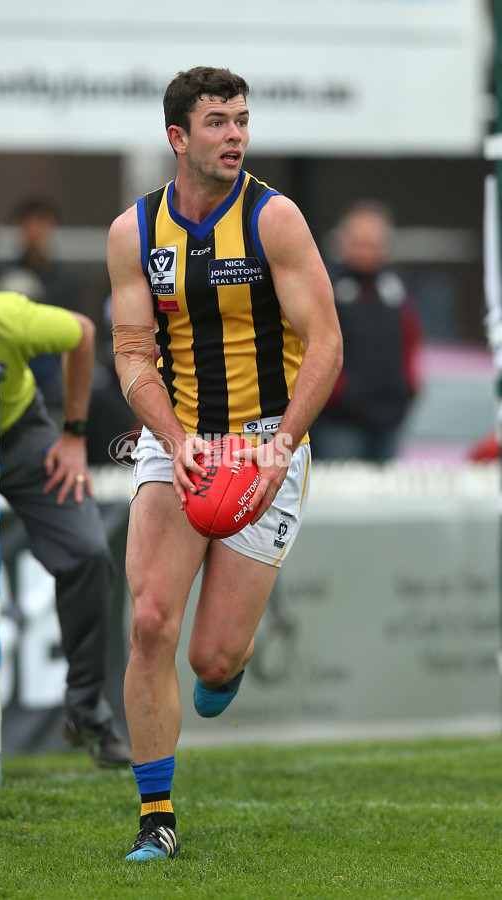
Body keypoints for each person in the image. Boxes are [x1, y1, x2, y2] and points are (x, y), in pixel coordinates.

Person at [106, 66, 343, 861]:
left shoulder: (275, 220)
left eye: (242, 119)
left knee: (210, 657)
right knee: (148, 622)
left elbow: (327, 346)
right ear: (178, 137)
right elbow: (134, 352)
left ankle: (226, 665)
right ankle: (156, 820)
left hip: (266, 441)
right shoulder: (132, 233)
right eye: (217, 122)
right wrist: (175, 443)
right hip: (181, 439)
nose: (235, 134)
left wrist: (278, 449)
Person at [0, 290, 131, 767]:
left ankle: (87, 708)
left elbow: (82, 333)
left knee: (89, 551)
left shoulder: (3, 316)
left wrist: (74, 434)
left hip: (14, 436)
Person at [310, 200, 423, 462]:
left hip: (391, 417)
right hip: (340, 421)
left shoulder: (397, 289)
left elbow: (411, 343)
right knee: (342, 497)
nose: (367, 251)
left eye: (374, 244)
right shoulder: (325, 285)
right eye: (360, 242)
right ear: (342, 242)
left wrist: (409, 387)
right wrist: (336, 392)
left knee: (385, 498)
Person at [0, 198, 78, 416]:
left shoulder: (63, 280)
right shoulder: (2, 275)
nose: (35, 230)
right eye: (28, 223)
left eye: (42, 222)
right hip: (11, 366)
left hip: (50, 373)